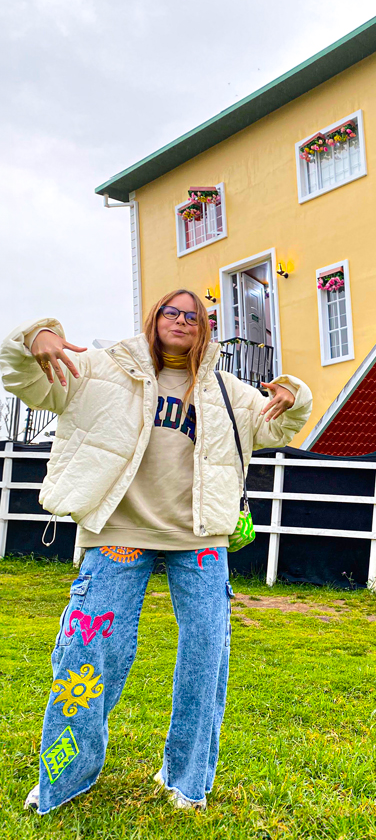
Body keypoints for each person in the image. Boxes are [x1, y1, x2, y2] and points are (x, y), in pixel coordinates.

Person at [0, 289, 312, 814]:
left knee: (204, 662)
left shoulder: (226, 390)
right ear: (155, 318)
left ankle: (186, 780)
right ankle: (65, 774)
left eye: (195, 317)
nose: (183, 322)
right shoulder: (98, 369)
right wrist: (34, 337)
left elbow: (278, 426)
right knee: (86, 658)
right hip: (117, 537)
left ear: (205, 330)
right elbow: (23, 379)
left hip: (201, 541)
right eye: (173, 312)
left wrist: (294, 395)